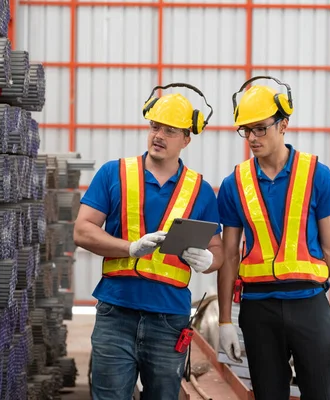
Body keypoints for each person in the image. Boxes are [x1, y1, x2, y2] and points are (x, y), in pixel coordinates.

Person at [73, 83, 224, 400]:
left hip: (169, 320)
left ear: (186, 139)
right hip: (116, 313)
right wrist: (128, 248)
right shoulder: (113, 173)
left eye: (171, 130)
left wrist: (210, 262)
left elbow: (218, 251)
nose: (159, 135)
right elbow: (82, 230)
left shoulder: (200, 190)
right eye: (155, 125)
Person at [216, 76, 330, 399]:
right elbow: (229, 255)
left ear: (284, 125)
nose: (252, 137)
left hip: (310, 304)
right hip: (257, 310)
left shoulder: (316, 175)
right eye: (246, 130)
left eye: (260, 128)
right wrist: (225, 320)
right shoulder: (234, 184)